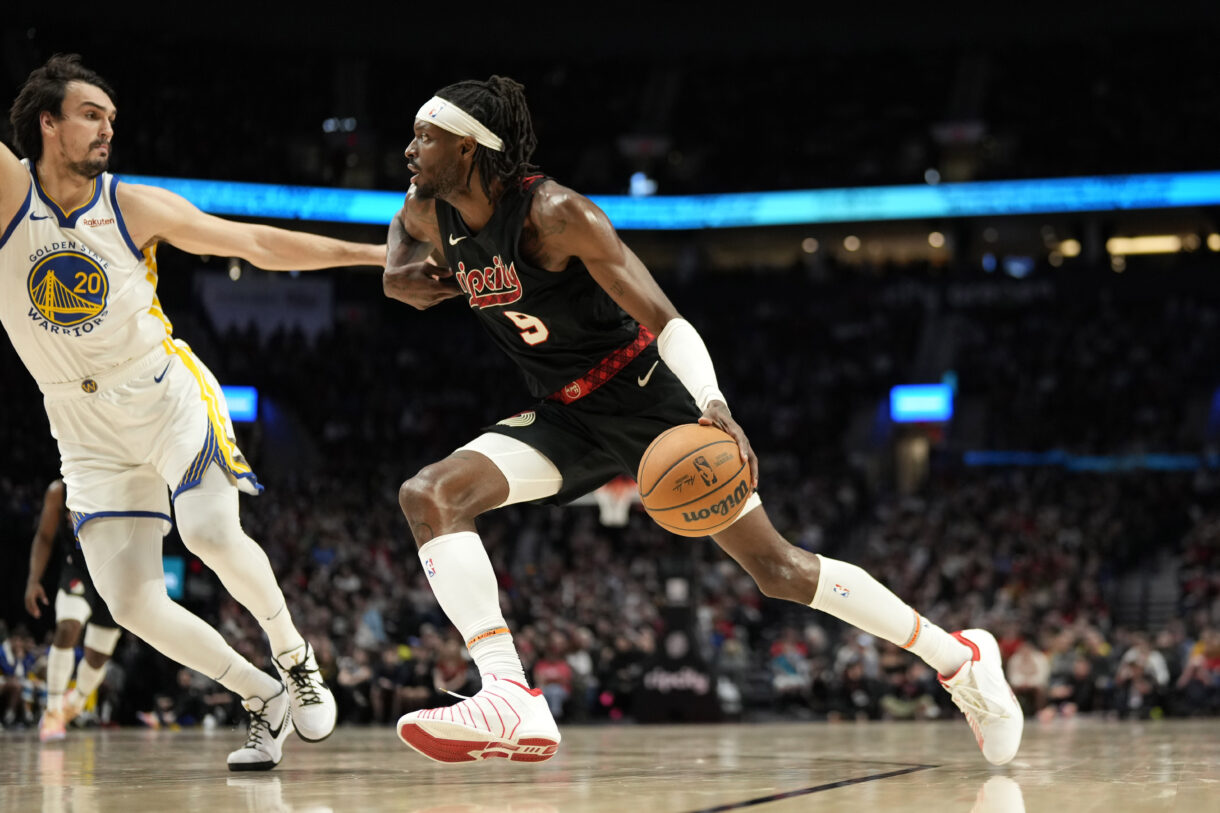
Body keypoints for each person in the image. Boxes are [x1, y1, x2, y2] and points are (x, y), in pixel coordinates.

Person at [381, 76, 1023, 765]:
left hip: (648, 400)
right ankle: (509, 693)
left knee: (775, 568)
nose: (411, 147)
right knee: (430, 494)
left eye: (427, 135)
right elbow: (400, 236)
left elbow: (666, 318)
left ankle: (959, 659)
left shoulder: (558, 215)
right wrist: (396, 275)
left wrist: (712, 404)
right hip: (564, 411)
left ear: (473, 149)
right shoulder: (428, 209)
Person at [0, 54, 385, 769]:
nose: (107, 129)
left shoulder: (130, 203)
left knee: (208, 528)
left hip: (164, 394)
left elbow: (254, 243)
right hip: (81, 428)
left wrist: (374, 256)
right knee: (131, 603)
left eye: (112, 119)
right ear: (47, 123)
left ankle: (295, 656)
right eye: (91, 114)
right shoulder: (9, 195)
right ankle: (260, 694)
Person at [25, 478, 122, 742]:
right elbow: (44, 536)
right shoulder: (60, 489)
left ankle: (77, 701)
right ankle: (54, 708)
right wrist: (34, 580)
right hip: (78, 568)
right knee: (68, 626)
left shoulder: (120, 479)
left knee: (98, 657)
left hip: (115, 572)